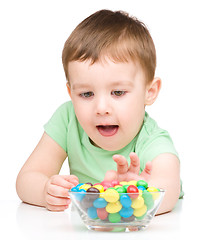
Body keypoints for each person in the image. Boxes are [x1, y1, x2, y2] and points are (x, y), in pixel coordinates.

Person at [16, 9, 183, 214]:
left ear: (149, 92)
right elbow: (27, 177)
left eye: (118, 92)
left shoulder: (153, 141)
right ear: (71, 92)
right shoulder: (68, 119)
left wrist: (136, 195)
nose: (101, 108)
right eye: (86, 94)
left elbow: (169, 189)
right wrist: (45, 190)